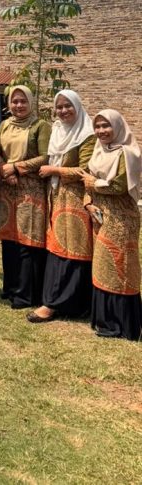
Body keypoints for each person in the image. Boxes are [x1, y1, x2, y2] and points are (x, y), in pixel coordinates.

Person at [27, 91, 95, 324]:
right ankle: (57, 301)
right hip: (56, 197)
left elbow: (86, 171)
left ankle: (57, 304)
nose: (63, 111)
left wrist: (54, 170)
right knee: (57, 248)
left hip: (75, 200)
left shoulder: (87, 134)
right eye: (59, 106)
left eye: (68, 106)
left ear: (77, 106)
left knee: (72, 249)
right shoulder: (57, 130)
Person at [83, 110, 141, 341]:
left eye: (106, 126)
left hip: (121, 217)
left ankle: (122, 323)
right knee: (102, 264)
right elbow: (86, 180)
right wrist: (87, 202)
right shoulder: (99, 150)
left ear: (117, 126)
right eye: (97, 126)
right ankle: (104, 319)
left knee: (121, 264)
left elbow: (119, 186)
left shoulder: (128, 153)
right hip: (100, 215)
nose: (101, 131)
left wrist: (93, 183)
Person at [0, 85, 51, 309]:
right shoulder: (5, 124)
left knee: (28, 241)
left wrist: (16, 168)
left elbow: (46, 157)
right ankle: (10, 287)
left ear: (31, 102)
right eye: (14, 101)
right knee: (9, 239)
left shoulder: (40, 126)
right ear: (9, 104)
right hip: (7, 187)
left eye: (23, 101)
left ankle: (26, 294)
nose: (19, 105)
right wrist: (5, 171)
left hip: (30, 189)